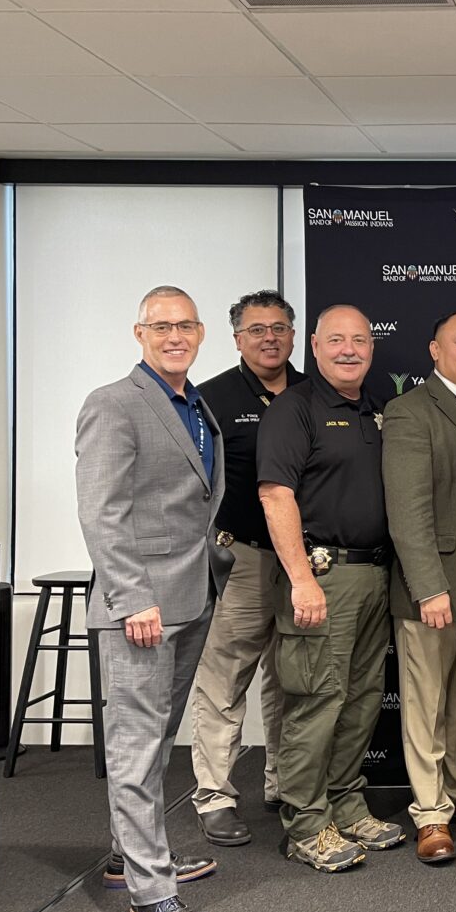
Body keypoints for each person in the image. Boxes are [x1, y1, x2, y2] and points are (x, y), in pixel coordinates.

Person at [75, 285, 230, 912]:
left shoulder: (195, 404)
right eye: (161, 326)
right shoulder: (113, 403)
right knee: (137, 745)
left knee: (157, 737)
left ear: (200, 333)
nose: (175, 336)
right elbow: (101, 511)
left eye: (185, 325)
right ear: (139, 333)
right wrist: (133, 597)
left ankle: (127, 856)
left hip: (191, 596)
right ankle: (152, 893)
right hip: (141, 606)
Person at [257, 304, 402, 872]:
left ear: (372, 348)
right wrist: (301, 580)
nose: (349, 350)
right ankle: (305, 823)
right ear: (313, 346)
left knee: (361, 701)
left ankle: (345, 804)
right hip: (321, 576)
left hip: (374, 576)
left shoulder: (376, 410)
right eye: (336, 339)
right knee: (316, 701)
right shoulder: (294, 409)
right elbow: (275, 495)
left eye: (359, 340)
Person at [383, 311, 456, 865]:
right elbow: (408, 511)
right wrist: (428, 587)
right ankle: (430, 811)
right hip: (433, 588)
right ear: (435, 350)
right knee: (425, 702)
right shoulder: (410, 410)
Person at [190, 290, 304, 847]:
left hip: (304, 562)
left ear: (293, 335)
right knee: (224, 680)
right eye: (257, 330)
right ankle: (214, 795)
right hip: (243, 557)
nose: (269, 338)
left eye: (279, 328)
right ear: (237, 339)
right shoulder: (209, 398)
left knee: (290, 679)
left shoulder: (313, 392)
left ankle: (282, 782)